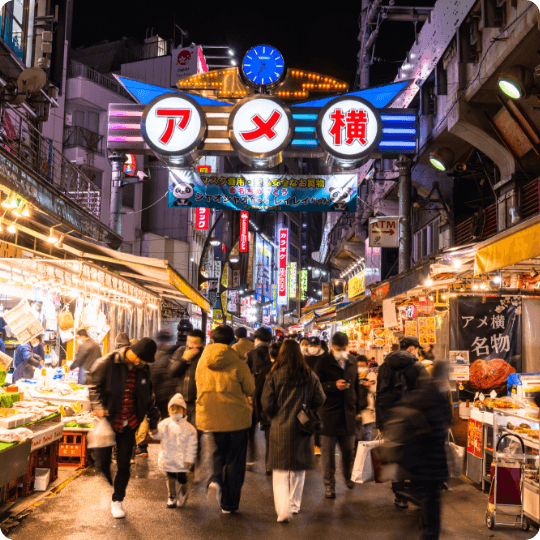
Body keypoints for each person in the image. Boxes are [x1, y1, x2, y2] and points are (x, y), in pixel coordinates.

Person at [88, 337, 160, 519]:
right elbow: (93, 386)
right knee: (102, 462)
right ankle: (112, 485)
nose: (143, 364)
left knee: (124, 464)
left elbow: (147, 395)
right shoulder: (108, 362)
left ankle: (118, 499)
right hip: (110, 420)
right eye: (142, 359)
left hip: (131, 423)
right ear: (134, 353)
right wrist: (97, 405)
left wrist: (153, 420)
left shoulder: (143, 368)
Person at [262, 340, 326, 522]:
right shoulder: (309, 374)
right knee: (298, 468)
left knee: (280, 469)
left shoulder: (274, 374)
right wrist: (307, 408)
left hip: (280, 425)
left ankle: (283, 510)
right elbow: (320, 399)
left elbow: (267, 403)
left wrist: (275, 413)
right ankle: (294, 504)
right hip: (302, 425)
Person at [388, 362, 453, 540]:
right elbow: (446, 423)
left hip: (415, 459)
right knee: (432, 502)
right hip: (432, 461)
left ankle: (425, 526)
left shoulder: (418, 394)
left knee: (426, 497)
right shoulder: (438, 398)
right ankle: (429, 534)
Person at [195, 324, 255, 514]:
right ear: (233, 341)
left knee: (218, 451)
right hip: (237, 417)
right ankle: (229, 505)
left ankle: (215, 479)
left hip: (210, 414)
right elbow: (251, 389)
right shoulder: (238, 362)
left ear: (211, 340)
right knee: (235, 459)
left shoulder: (202, 361)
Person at [375, 336, 429, 509]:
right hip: (414, 419)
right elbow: (429, 394)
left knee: (395, 457)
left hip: (391, 420)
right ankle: (416, 492)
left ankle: (400, 496)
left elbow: (380, 396)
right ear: (412, 349)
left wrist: (380, 423)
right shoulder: (419, 366)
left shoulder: (384, 367)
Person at [315, 331, 360, 498]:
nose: (342, 350)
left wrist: (358, 410)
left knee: (349, 451)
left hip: (348, 414)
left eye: (344, 347)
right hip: (328, 414)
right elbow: (316, 385)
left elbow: (355, 387)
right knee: (328, 456)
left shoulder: (352, 361)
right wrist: (333, 385)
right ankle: (329, 486)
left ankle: (349, 478)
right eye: (338, 348)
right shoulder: (323, 362)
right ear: (332, 347)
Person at [154, 393, 198, 509]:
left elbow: (192, 446)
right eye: (172, 409)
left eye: (179, 409)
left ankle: (183, 488)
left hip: (183, 461)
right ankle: (172, 496)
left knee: (181, 477)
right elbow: (158, 435)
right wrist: (153, 432)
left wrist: (189, 459)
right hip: (168, 458)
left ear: (184, 411)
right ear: (169, 411)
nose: (175, 411)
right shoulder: (164, 424)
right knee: (170, 477)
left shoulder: (189, 428)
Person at [245, 326, 273, 467]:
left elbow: (245, 376)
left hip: (254, 395)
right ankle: (269, 463)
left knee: (251, 428)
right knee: (269, 428)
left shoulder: (250, 354)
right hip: (271, 396)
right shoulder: (274, 353)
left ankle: (251, 457)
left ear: (256, 338)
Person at [254, 341, 282, 476]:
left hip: (268, 413)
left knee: (270, 440)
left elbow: (257, 393)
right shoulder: (292, 371)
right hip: (285, 413)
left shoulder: (265, 371)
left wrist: (259, 414)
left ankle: (269, 466)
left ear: (271, 356)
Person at [168, 329, 206, 428]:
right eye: (189, 343)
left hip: (197, 402)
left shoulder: (205, 355)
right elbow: (171, 372)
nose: (191, 347)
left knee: (195, 431)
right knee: (179, 431)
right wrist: (184, 359)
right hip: (180, 400)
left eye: (195, 344)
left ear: (202, 343)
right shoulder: (181, 351)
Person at [356, 355, 377, 444]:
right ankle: (357, 455)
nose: (361, 368)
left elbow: (374, 389)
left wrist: (367, 385)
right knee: (357, 434)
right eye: (359, 365)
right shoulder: (352, 375)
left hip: (368, 407)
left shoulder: (371, 374)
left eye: (363, 365)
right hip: (356, 408)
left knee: (367, 433)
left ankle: (366, 454)